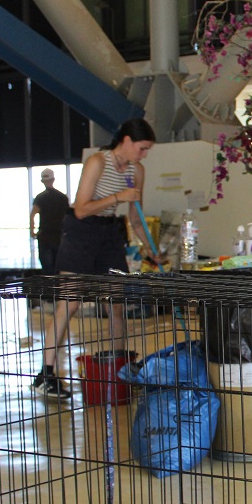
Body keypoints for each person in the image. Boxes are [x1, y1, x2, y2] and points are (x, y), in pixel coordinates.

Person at [32, 118, 159, 399]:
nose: (144, 154)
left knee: (116, 304)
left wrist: (151, 247)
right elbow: (80, 209)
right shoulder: (97, 163)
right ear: (126, 141)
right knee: (70, 303)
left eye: (147, 149)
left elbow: (136, 215)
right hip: (81, 231)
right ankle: (46, 374)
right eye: (142, 148)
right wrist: (117, 196)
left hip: (110, 233)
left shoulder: (137, 170)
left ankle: (117, 370)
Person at [30, 168, 70, 275]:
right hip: (59, 236)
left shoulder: (40, 198)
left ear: (42, 181)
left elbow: (32, 215)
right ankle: (58, 290)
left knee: (47, 270)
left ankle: (49, 290)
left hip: (44, 236)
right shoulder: (63, 198)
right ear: (53, 179)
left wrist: (32, 232)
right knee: (58, 267)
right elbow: (69, 217)